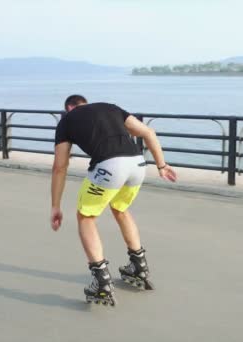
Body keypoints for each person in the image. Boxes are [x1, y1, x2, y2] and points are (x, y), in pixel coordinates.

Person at [50, 95, 177, 306]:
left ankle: (101, 282)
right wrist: (162, 165)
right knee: (120, 209)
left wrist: (55, 205)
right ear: (86, 103)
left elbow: (60, 166)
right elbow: (148, 132)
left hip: (109, 167)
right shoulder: (110, 107)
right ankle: (138, 267)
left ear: (69, 108)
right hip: (137, 164)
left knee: (86, 217)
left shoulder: (67, 120)